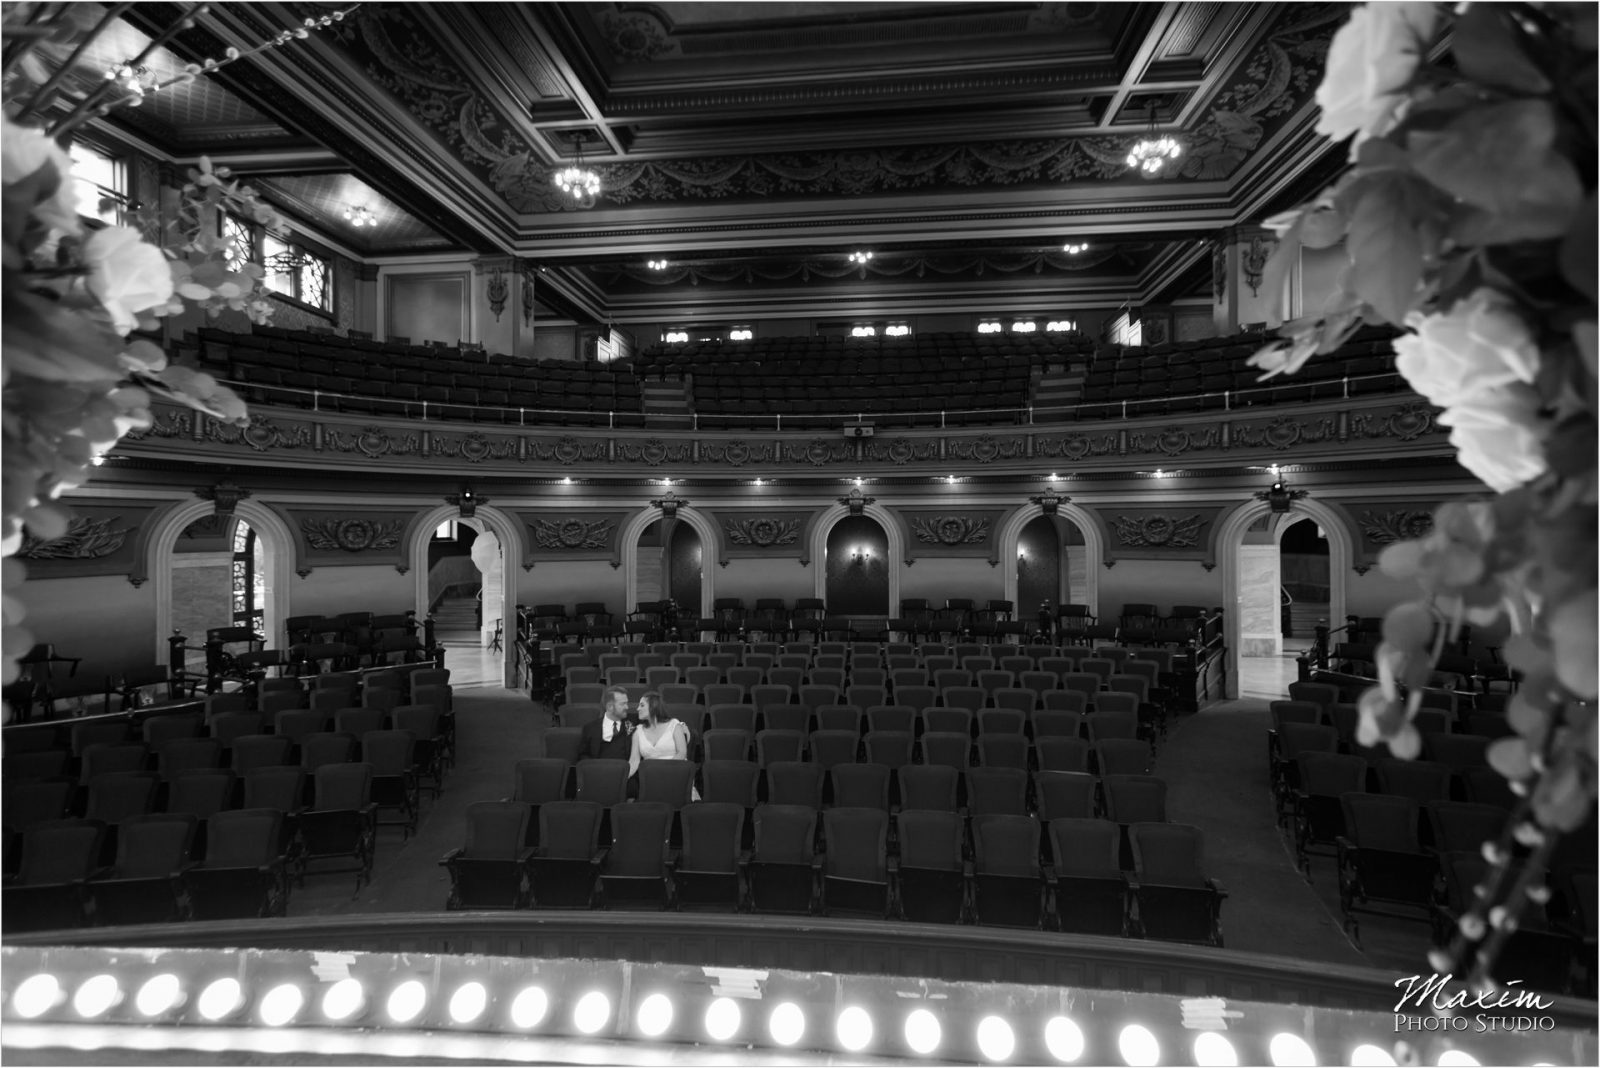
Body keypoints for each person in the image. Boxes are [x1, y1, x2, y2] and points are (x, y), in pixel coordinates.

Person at [628, 690, 698, 799]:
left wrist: (663, 772)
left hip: (676, 772)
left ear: (653, 706)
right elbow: (634, 760)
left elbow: (682, 753)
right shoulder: (638, 731)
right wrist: (622, 777)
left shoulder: (674, 724)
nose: (637, 709)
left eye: (642, 705)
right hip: (651, 778)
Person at [579, 685, 636, 761]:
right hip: (600, 770)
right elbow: (583, 755)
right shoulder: (590, 728)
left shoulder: (633, 721)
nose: (627, 707)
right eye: (623, 704)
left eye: (627, 703)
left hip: (625, 770)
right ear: (610, 707)